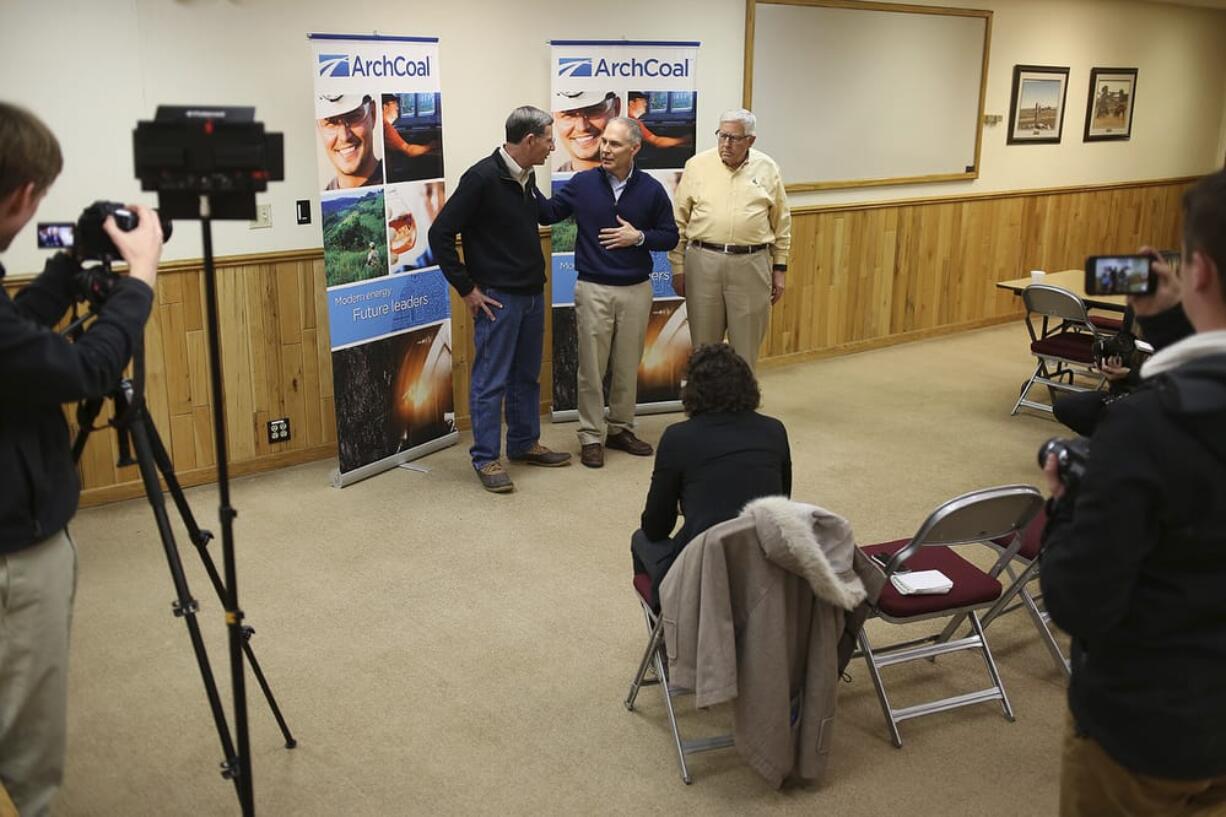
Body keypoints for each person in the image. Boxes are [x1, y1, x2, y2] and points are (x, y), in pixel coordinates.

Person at [1040, 169, 1226, 817]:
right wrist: (1173, 324)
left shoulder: (1143, 426)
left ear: (1197, 270)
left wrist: (1064, 507)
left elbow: (1079, 601)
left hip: (1147, 726)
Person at [0, 102, 163, 817]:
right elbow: (83, 370)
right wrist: (143, 278)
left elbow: (18, 339)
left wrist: (66, 273)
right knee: (25, 731)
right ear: (22, 196)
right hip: (15, 546)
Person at [428, 106, 571, 493]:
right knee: (491, 381)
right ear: (529, 140)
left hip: (530, 294)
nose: (551, 147)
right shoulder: (481, 178)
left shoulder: (526, 176)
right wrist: (467, 289)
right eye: (547, 139)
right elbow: (439, 234)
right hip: (496, 298)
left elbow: (544, 213)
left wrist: (587, 191)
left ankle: (524, 444)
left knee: (526, 376)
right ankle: (486, 458)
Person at [536, 117, 678, 468]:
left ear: (635, 148)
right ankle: (590, 436)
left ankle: (620, 429)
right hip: (594, 288)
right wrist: (524, 179)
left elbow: (670, 236)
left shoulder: (651, 189)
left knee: (628, 366)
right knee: (592, 368)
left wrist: (639, 237)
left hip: (636, 290)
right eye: (604, 142)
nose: (605, 149)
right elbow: (549, 213)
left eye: (614, 144)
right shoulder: (582, 183)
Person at [631, 343, 792, 608]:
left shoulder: (677, 438)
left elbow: (656, 527)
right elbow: (781, 500)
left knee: (640, 540)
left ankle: (667, 625)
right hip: (765, 565)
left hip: (702, 574)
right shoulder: (774, 430)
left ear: (691, 391)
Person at [670, 109, 791, 372]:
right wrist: (678, 267)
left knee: (745, 347)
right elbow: (678, 221)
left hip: (751, 263)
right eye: (722, 136)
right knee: (704, 348)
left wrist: (780, 269)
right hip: (703, 262)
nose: (726, 144)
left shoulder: (768, 168)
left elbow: (782, 223)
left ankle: (741, 409)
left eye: (734, 138)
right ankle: (704, 407)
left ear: (751, 140)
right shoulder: (697, 165)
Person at [315, 94, 383, 190]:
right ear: (318, 128)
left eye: (353, 117)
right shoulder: (321, 201)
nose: (344, 137)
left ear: (372, 114)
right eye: (331, 123)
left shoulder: (401, 177)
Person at [552, 90, 619, 173]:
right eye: (568, 115)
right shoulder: (549, 184)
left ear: (616, 108)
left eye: (593, 111)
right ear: (553, 117)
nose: (582, 127)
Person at [626, 92, 693, 151]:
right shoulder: (632, 122)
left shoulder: (629, 119)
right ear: (631, 103)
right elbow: (657, 142)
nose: (646, 104)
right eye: (642, 100)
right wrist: (685, 139)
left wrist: (680, 143)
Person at [381, 94, 437, 160]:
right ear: (385, 107)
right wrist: (430, 146)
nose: (397, 108)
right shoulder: (386, 128)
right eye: (394, 104)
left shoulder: (382, 125)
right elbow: (408, 151)